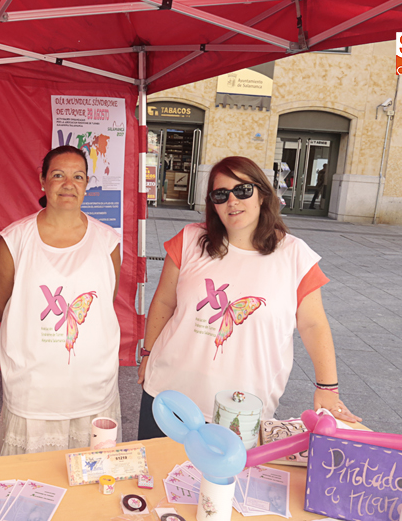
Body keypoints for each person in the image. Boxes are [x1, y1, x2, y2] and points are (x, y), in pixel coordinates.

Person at [137, 156, 360, 440]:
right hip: (169, 395)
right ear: (212, 203)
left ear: (263, 195)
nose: (233, 201)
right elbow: (164, 303)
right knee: (157, 478)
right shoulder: (190, 240)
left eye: (243, 190)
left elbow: (313, 324)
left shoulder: (294, 255)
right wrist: (147, 353)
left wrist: (328, 388)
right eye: (221, 194)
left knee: (228, 483)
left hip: (242, 410)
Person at [0, 145, 122, 456]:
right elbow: (2, 304)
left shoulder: (107, 241)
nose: (68, 184)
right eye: (58, 175)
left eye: (78, 176)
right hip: (34, 386)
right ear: (42, 181)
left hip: (92, 383)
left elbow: (105, 301)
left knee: (89, 473)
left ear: (87, 184)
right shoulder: (15, 239)